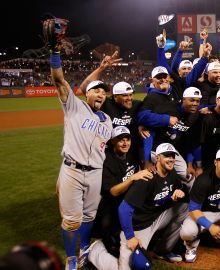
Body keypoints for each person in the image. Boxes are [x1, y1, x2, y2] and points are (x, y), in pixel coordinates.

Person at [45, 17, 114, 269]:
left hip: (95, 173)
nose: (100, 93)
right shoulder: (75, 107)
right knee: (71, 220)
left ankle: (84, 248)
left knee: (89, 217)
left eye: (103, 91)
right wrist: (54, 52)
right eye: (96, 90)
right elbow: (59, 80)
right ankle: (71, 257)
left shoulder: (107, 120)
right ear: (87, 93)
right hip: (73, 171)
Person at [116, 143, 189, 269]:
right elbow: (123, 209)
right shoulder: (147, 178)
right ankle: (97, 252)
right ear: (158, 157)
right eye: (167, 156)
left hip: (157, 217)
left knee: (184, 208)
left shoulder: (172, 174)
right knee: (129, 267)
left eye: (173, 156)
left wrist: (180, 193)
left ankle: (162, 251)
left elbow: (178, 191)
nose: (171, 159)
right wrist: (130, 236)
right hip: (139, 226)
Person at [89, 126, 153, 262]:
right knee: (110, 236)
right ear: (112, 141)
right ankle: (97, 250)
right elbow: (113, 191)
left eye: (127, 139)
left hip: (130, 199)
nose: (125, 143)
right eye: (121, 140)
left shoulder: (132, 152)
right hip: (112, 202)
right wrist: (132, 178)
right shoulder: (108, 160)